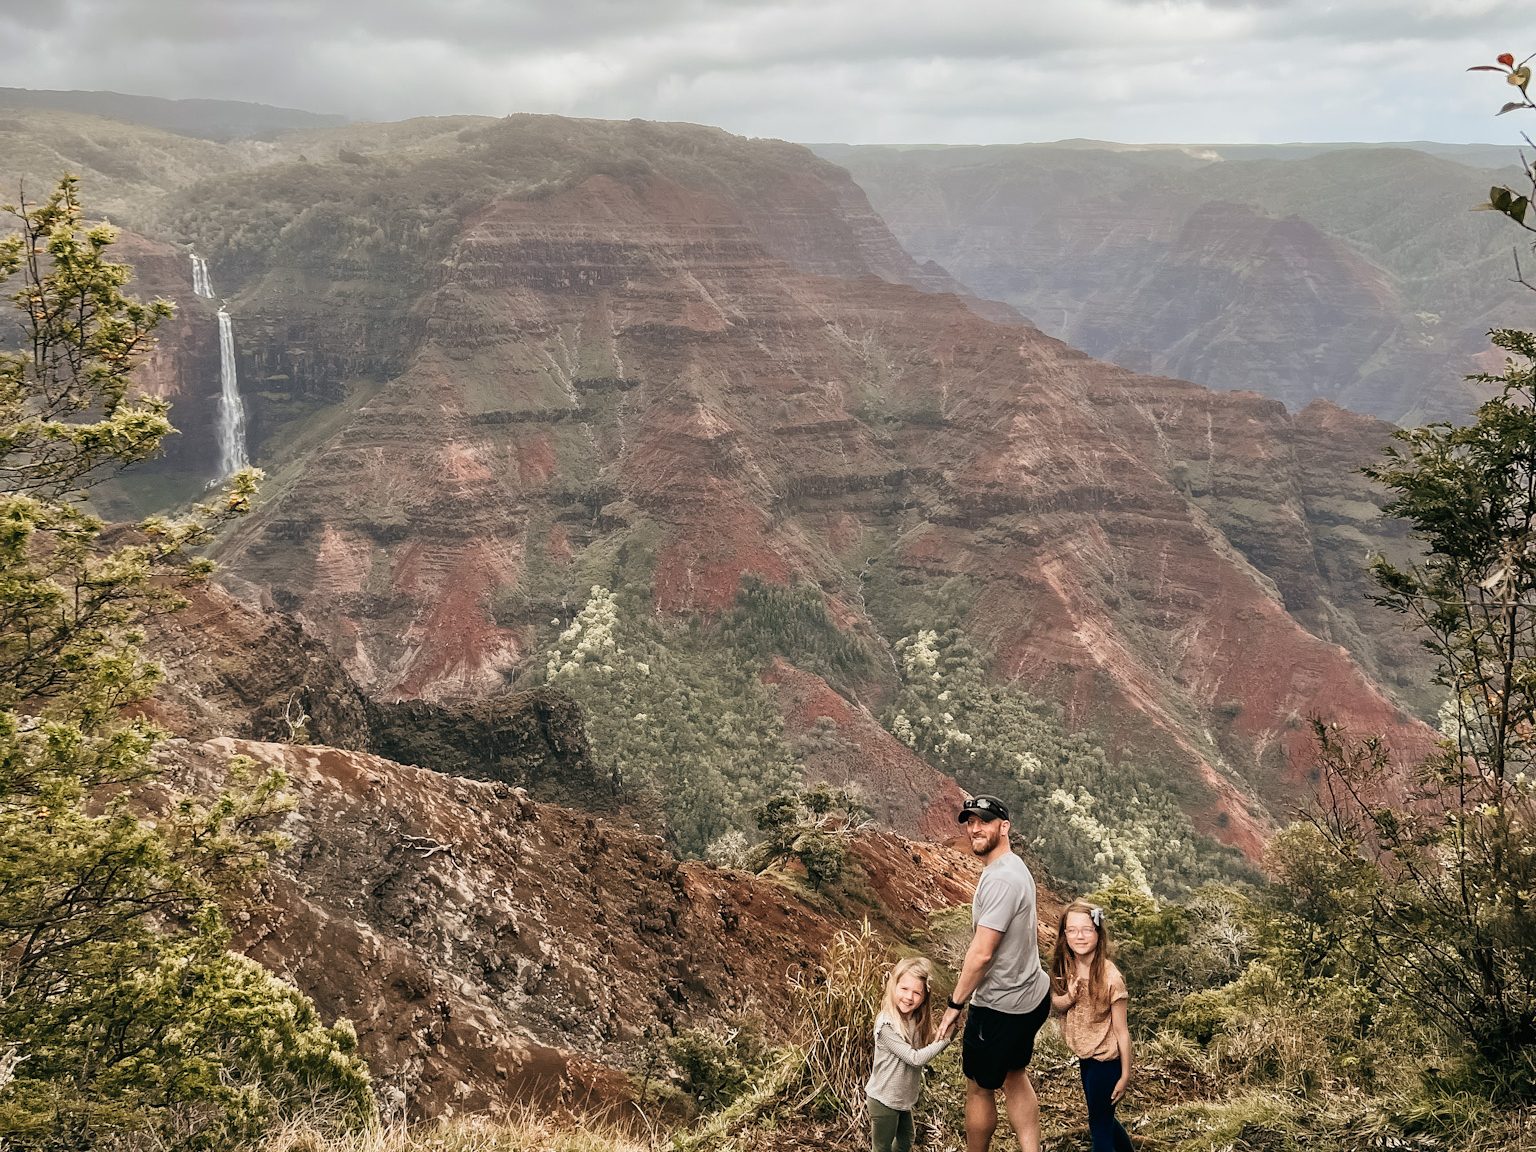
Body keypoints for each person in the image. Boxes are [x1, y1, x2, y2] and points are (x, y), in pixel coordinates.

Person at [937, 795, 1053, 1152]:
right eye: (970, 822)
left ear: (1004, 827)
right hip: (1033, 993)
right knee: (1015, 1074)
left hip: (1001, 1007)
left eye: (984, 822)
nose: (975, 829)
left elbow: (982, 953)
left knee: (979, 1087)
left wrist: (955, 1005)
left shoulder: (1001, 880)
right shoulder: (1015, 867)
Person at [1050, 900, 1134, 1152]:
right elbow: (1057, 1004)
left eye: (1086, 929)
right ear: (1064, 934)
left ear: (1098, 932)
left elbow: (1122, 1030)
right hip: (1086, 1056)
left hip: (1107, 1061)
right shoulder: (1066, 965)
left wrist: (1125, 1074)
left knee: (1099, 1125)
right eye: (1072, 930)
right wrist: (1071, 997)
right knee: (1103, 1117)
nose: (1079, 936)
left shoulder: (1111, 978)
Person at [865, 956, 953, 1152]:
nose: (909, 997)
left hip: (901, 1099)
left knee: (905, 1140)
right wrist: (946, 1040)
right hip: (884, 1099)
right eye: (904, 989)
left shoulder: (913, 1018)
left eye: (916, 993)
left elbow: (928, 1043)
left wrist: (950, 1027)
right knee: (881, 1148)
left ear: (924, 997)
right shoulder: (886, 1024)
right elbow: (915, 1058)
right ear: (894, 986)